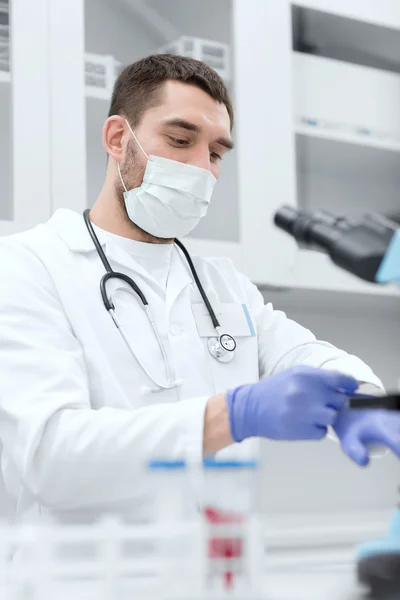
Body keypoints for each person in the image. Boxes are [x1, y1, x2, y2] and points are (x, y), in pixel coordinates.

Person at [0, 54, 399, 535]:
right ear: (117, 138)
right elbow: (49, 458)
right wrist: (231, 416)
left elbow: (304, 354)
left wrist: (361, 400)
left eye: (214, 153)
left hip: (212, 575)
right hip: (84, 579)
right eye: (180, 140)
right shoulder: (27, 265)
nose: (199, 168)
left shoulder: (221, 284)